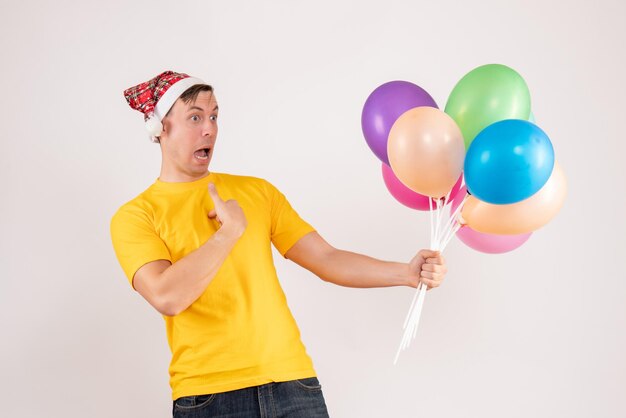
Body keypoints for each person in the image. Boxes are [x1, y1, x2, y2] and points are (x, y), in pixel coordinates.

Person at [111, 70, 448, 418]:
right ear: (160, 128)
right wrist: (228, 233)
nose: (209, 128)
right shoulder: (136, 216)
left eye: (213, 116)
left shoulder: (257, 192)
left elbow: (325, 258)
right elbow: (167, 295)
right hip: (209, 396)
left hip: (294, 385)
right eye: (195, 117)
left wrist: (407, 274)